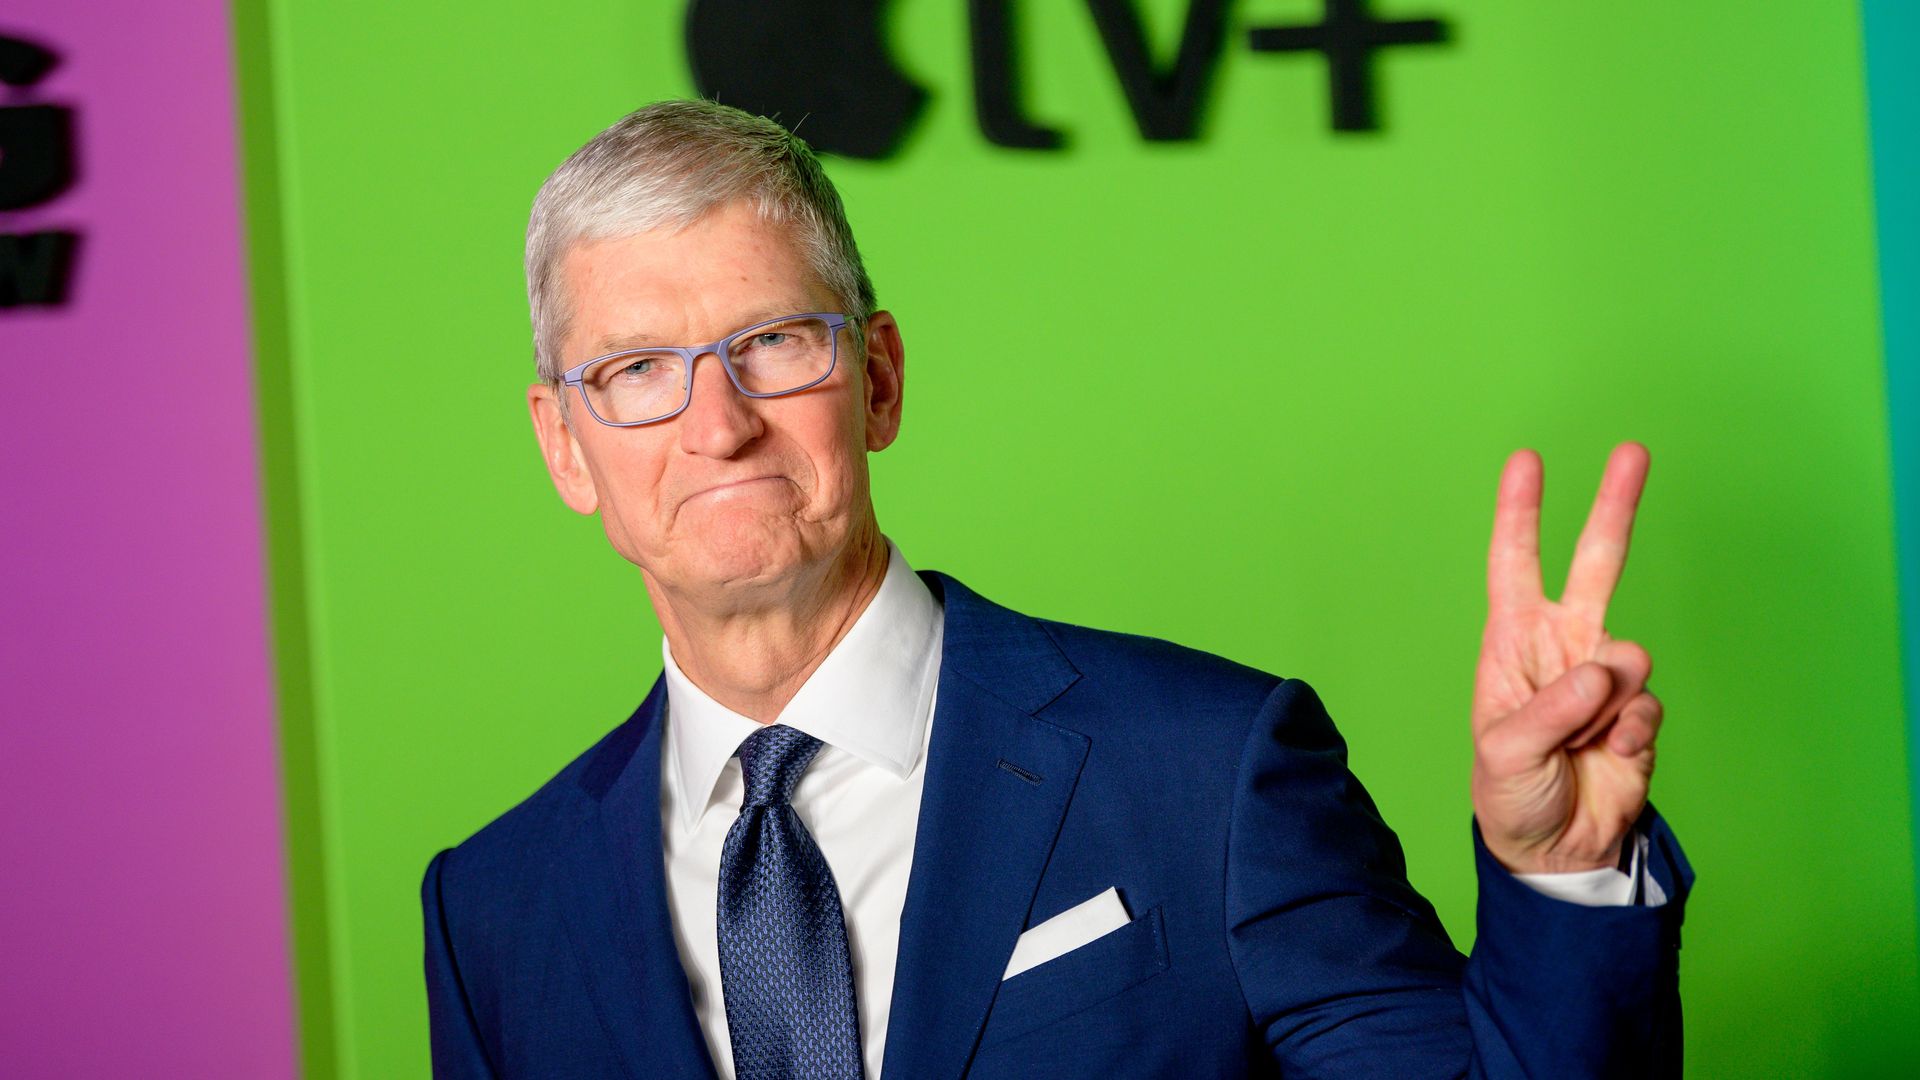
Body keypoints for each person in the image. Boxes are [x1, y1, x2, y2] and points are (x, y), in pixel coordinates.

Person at [422, 99, 1691, 1080]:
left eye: (771, 343)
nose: (719, 425)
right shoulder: (497, 911)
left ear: (878, 380)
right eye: (638, 369)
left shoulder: (1209, 775)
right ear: (562, 445)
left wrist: (1563, 879)